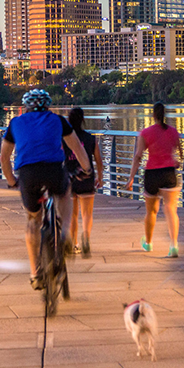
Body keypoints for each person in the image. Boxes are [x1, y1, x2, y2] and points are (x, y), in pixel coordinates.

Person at [0, 90, 91, 290]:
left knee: (33, 220)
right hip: (53, 170)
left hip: (28, 173)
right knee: (65, 194)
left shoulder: (15, 123)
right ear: (48, 106)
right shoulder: (58, 120)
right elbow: (77, 148)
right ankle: (65, 234)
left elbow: (4, 157)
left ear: (26, 107)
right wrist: (86, 169)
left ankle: (35, 274)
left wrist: (11, 180)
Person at [126, 103, 184, 258]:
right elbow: (179, 153)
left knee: (151, 211)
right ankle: (173, 246)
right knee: (171, 209)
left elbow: (138, 156)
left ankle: (149, 243)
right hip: (168, 172)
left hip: (152, 173)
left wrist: (131, 177)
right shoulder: (173, 132)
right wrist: (176, 161)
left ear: (153, 115)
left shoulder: (146, 133)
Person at [65, 107, 104, 257]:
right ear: (83, 120)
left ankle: (74, 244)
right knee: (87, 213)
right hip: (87, 179)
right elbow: (99, 160)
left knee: (73, 215)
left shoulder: (64, 139)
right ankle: (86, 238)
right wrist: (99, 177)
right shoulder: (90, 138)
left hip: (69, 179)